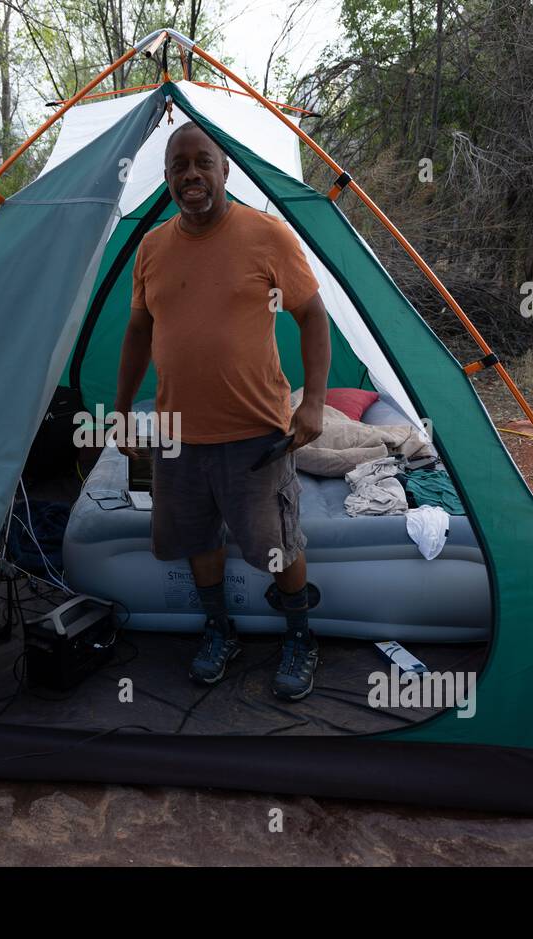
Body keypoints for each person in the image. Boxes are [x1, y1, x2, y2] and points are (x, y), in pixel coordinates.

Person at [114, 121, 330, 701]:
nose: (191, 174)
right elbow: (137, 332)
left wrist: (313, 403)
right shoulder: (152, 247)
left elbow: (313, 316)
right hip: (178, 435)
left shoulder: (267, 236)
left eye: (202, 162)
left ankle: (301, 637)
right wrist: (117, 411)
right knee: (197, 538)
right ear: (166, 178)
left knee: (279, 545)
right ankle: (219, 631)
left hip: (256, 431)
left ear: (225, 168)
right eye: (179, 165)